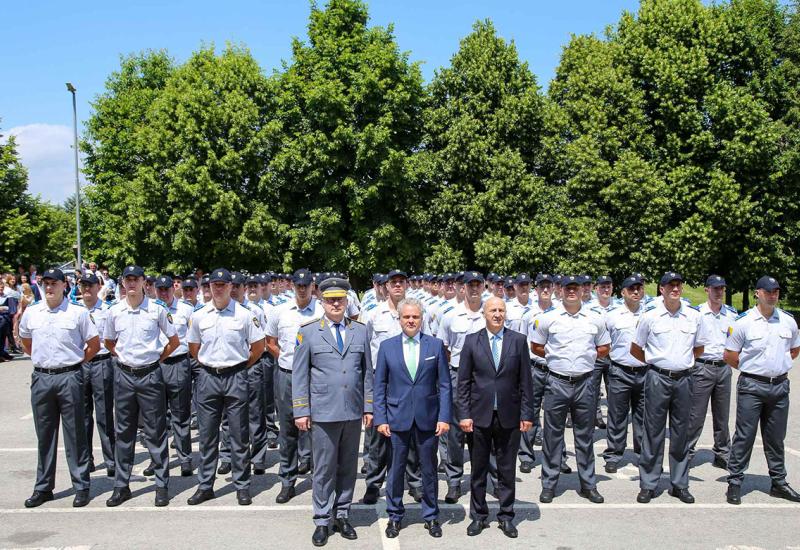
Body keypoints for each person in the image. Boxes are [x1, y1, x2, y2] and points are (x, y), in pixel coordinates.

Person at [292, 277, 374, 547]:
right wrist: (301, 410)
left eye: (340, 299)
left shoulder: (360, 331)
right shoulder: (308, 332)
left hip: (352, 411)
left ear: (347, 301)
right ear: (322, 302)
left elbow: (367, 373)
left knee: (348, 467)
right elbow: (300, 375)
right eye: (330, 300)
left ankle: (342, 513)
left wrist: (368, 406)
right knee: (324, 469)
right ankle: (322, 519)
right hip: (323, 412)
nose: (336, 304)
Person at [18, 268, 100, 508]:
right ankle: (43, 487)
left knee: (75, 435)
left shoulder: (77, 313)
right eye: (46, 283)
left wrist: (74, 363)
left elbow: (93, 344)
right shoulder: (33, 313)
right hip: (42, 378)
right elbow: (25, 342)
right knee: (44, 435)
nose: (49, 288)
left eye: (54, 283)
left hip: (70, 376)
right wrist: (44, 361)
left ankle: (81, 485)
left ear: (65, 285)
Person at [185, 268, 265, 506]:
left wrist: (239, 366)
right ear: (208, 288)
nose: (217, 289)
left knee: (239, 434)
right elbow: (194, 347)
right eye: (213, 285)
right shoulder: (199, 316)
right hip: (208, 377)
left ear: (231, 287)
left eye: (222, 285)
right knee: (208, 435)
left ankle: (241, 485)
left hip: (236, 376)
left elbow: (258, 347)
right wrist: (211, 365)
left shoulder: (244, 315)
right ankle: (205, 485)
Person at [374, 297, 450, 540]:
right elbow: (380, 386)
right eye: (406, 316)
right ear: (399, 319)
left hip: (428, 418)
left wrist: (444, 416)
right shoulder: (387, 347)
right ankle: (395, 516)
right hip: (396, 418)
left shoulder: (435, 346)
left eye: (415, 317)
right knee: (395, 471)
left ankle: (431, 516)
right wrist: (381, 418)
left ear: (422, 319)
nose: (410, 320)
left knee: (429, 469)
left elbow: (445, 385)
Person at [104, 265, 180, 507]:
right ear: (123, 283)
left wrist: (156, 359)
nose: (132, 284)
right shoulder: (114, 311)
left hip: (150, 375)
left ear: (144, 282)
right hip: (124, 375)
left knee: (155, 432)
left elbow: (174, 340)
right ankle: (121, 485)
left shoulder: (156, 310)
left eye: (136, 279)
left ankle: (161, 484)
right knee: (124, 432)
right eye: (128, 279)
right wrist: (125, 358)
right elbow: (108, 342)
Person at [631, 272, 710, 504]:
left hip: (684, 379)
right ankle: (648, 483)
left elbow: (699, 349)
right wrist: (658, 362)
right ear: (661, 290)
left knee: (681, 433)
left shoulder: (694, 317)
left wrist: (679, 363)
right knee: (653, 432)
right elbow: (636, 348)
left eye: (678, 285)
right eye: (670, 285)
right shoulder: (650, 316)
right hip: (657, 377)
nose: (675, 288)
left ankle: (679, 484)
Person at [458, 296, 533, 538]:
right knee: (478, 469)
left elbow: (526, 382)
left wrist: (527, 414)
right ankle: (478, 516)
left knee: (506, 468)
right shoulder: (471, 342)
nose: (497, 314)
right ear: (484, 313)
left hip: (509, 416)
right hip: (479, 416)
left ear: (506, 314)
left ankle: (506, 516)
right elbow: (464, 383)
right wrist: (464, 414)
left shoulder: (519, 341)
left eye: (501, 310)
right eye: (493, 310)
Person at [532, 275, 610, 504]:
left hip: (585, 382)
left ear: (583, 291)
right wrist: (557, 359)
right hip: (556, 381)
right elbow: (536, 345)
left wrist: (587, 359)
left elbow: (604, 346)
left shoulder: (594, 318)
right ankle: (549, 483)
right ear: (560, 290)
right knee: (552, 436)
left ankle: (588, 484)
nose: (572, 292)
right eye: (567, 288)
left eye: (575, 288)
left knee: (584, 437)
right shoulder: (549, 318)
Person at [724, 275, 800, 504]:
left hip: (779, 386)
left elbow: (794, 349)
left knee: (776, 438)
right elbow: (730, 356)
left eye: (776, 291)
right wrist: (753, 370)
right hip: (752, 385)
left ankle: (778, 482)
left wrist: (775, 367)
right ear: (758, 293)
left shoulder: (788, 321)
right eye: (768, 291)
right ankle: (735, 482)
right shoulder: (743, 322)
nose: (773, 295)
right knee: (744, 436)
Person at [361, 269, 423, 505]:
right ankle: (374, 484)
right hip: (381, 380)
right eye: (393, 282)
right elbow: (366, 351)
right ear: (385, 286)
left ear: (406, 285)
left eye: (401, 282)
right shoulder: (374, 314)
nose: (397, 285)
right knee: (378, 437)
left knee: (411, 433)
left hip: (409, 380)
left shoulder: (414, 312)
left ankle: (414, 482)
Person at [265, 268, 321, 503]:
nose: (301, 289)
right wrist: (292, 364)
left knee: (319, 428)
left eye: (305, 285)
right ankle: (287, 481)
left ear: (312, 286)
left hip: (317, 376)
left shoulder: (322, 310)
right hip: (288, 375)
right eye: (297, 285)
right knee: (288, 429)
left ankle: (320, 481)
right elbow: (270, 342)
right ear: (292, 286)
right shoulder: (280, 312)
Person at [436, 271, 487, 503]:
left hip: (486, 378)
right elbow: (444, 349)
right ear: (462, 288)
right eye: (470, 285)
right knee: (456, 433)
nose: (474, 289)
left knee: (486, 429)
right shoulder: (449, 315)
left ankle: (486, 479)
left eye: (478, 285)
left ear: (483, 287)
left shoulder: (491, 312)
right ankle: (454, 481)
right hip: (458, 376)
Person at [687, 275, 736, 470]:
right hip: (702, 367)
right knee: (695, 415)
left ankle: (722, 453)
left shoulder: (731, 314)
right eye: (715, 288)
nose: (719, 292)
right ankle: (687, 452)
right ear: (707, 290)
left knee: (722, 415)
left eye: (722, 288)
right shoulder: (697, 314)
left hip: (723, 368)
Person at [601, 275, 647, 473]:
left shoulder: (650, 314)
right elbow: (604, 341)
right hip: (620, 370)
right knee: (617, 415)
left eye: (639, 288)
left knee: (643, 416)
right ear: (623, 292)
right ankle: (613, 454)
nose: (636, 292)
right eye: (631, 288)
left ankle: (643, 454)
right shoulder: (612, 315)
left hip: (645, 371)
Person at [151, 275, 195, 478]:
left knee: (180, 415)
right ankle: (157, 460)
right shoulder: (150, 309)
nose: (163, 293)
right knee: (156, 417)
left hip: (178, 364)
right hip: (155, 366)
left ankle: (185, 458)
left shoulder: (186, 310)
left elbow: (195, 337)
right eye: (159, 289)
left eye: (167, 289)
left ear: (173, 289)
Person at [76, 273, 117, 477]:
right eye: (83, 285)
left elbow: (114, 338)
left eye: (90, 285)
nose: (86, 289)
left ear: (98, 286)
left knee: (104, 415)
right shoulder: (74, 310)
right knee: (81, 416)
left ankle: (111, 460)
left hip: (102, 362)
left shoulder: (108, 310)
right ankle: (86, 459)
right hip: (80, 365)